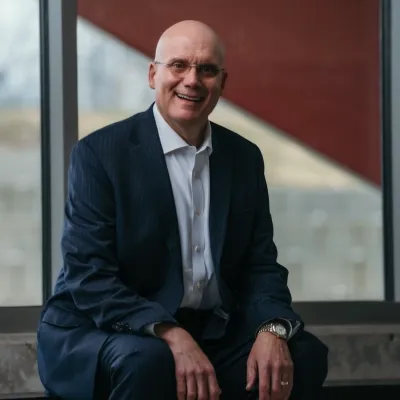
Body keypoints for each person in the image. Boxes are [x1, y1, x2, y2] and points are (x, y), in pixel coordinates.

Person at [37, 20, 328, 400]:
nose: (192, 80)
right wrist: (170, 333)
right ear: (153, 74)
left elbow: (260, 265)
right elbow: (89, 276)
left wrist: (271, 329)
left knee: (302, 355)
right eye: (178, 65)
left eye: (207, 69)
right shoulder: (100, 154)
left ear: (222, 82)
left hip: (211, 331)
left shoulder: (243, 158)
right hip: (105, 327)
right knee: (150, 360)